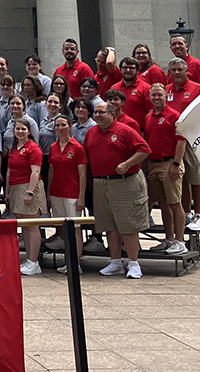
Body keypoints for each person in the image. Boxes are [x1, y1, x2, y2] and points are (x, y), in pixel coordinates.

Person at [86, 104, 151, 279]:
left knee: (128, 225)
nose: (98, 115)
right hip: (101, 183)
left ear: (112, 114)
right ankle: (115, 262)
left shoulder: (124, 130)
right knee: (109, 225)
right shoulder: (91, 132)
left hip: (125, 183)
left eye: (102, 112)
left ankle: (134, 263)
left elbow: (144, 149)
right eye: (96, 112)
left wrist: (127, 163)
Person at [144, 83, 189, 255]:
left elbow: (181, 141)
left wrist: (176, 164)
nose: (156, 98)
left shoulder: (174, 116)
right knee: (162, 203)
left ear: (166, 96)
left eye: (159, 95)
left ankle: (180, 240)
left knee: (175, 203)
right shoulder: (149, 117)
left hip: (170, 163)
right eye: (153, 95)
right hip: (154, 164)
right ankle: (169, 239)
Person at [166, 57, 200, 233]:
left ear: (186, 72)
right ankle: (187, 213)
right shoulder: (166, 90)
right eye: (173, 70)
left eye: (179, 69)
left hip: (191, 139)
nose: (176, 72)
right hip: (173, 140)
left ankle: (199, 214)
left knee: (195, 177)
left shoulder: (197, 89)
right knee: (179, 179)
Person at [46, 114, 88, 273]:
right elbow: (51, 171)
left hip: (72, 193)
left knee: (75, 228)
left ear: (70, 126)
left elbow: (82, 174)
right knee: (63, 228)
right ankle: (67, 260)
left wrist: (81, 197)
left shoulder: (77, 147)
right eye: (57, 125)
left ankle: (75, 263)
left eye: (63, 125)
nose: (60, 128)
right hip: (57, 192)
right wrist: (49, 193)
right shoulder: (53, 147)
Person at [8, 119, 46, 275]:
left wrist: (29, 192)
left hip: (28, 187)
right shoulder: (14, 147)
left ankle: (34, 261)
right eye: (17, 128)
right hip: (16, 187)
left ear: (29, 131)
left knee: (32, 225)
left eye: (23, 129)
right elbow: (9, 170)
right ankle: (29, 259)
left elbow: (35, 172)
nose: (20, 131)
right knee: (24, 225)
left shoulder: (33, 148)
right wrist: (8, 191)